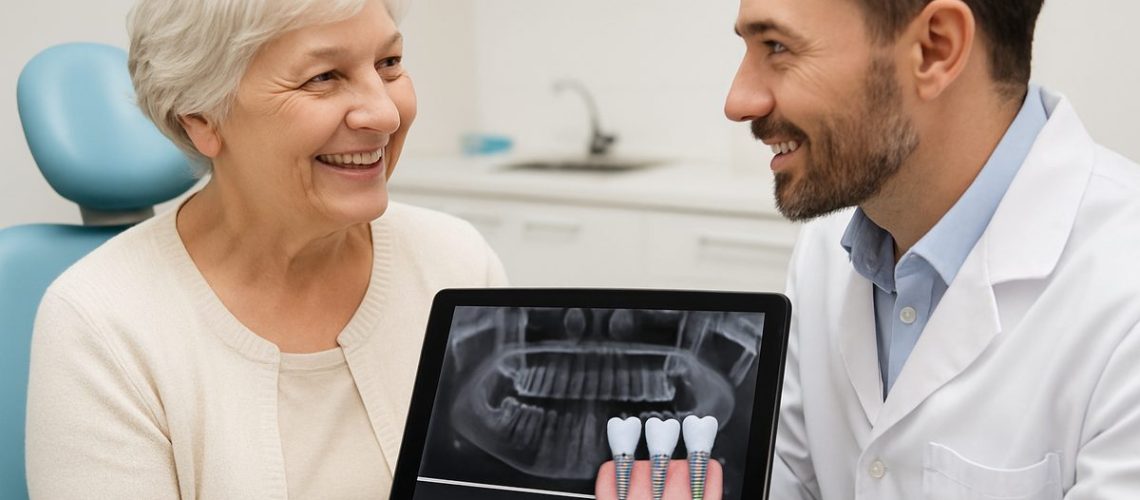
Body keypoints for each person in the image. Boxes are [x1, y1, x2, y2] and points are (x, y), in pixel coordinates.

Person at [24, 0, 507, 497]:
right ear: (200, 117)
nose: (385, 113)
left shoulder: (455, 259)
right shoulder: (100, 324)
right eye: (323, 77)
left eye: (389, 64)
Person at [722, 0, 1140, 498]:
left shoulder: (1124, 294)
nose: (738, 101)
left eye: (777, 47)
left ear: (935, 48)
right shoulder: (827, 248)